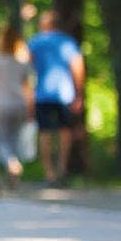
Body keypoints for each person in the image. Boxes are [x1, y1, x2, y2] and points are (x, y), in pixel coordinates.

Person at [28, 10, 85, 186]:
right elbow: (78, 67)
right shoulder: (67, 42)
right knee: (64, 132)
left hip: (42, 94)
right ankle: (62, 170)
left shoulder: (35, 42)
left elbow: (25, 68)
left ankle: (49, 174)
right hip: (64, 94)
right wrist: (79, 94)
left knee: (44, 133)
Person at [0, 23, 34, 185]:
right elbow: (28, 88)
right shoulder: (22, 64)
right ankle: (13, 168)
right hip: (19, 104)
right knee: (14, 139)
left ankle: (10, 163)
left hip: (2, 104)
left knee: (1, 140)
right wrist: (31, 108)